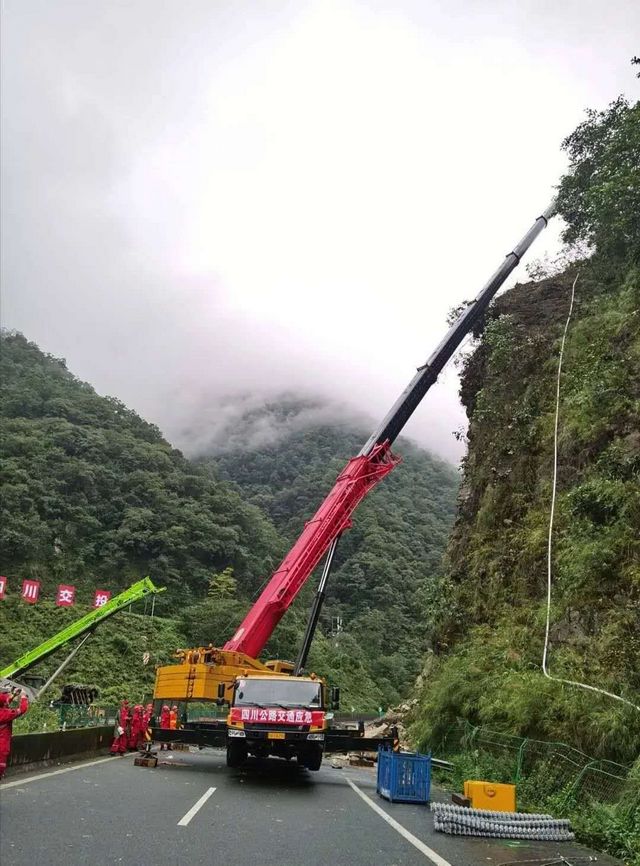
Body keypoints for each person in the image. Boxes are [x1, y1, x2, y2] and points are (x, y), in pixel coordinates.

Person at [0, 687, 29, 780]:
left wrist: (14, 695)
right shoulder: (5, 714)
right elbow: (22, 709)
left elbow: (5, 701)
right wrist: (24, 697)